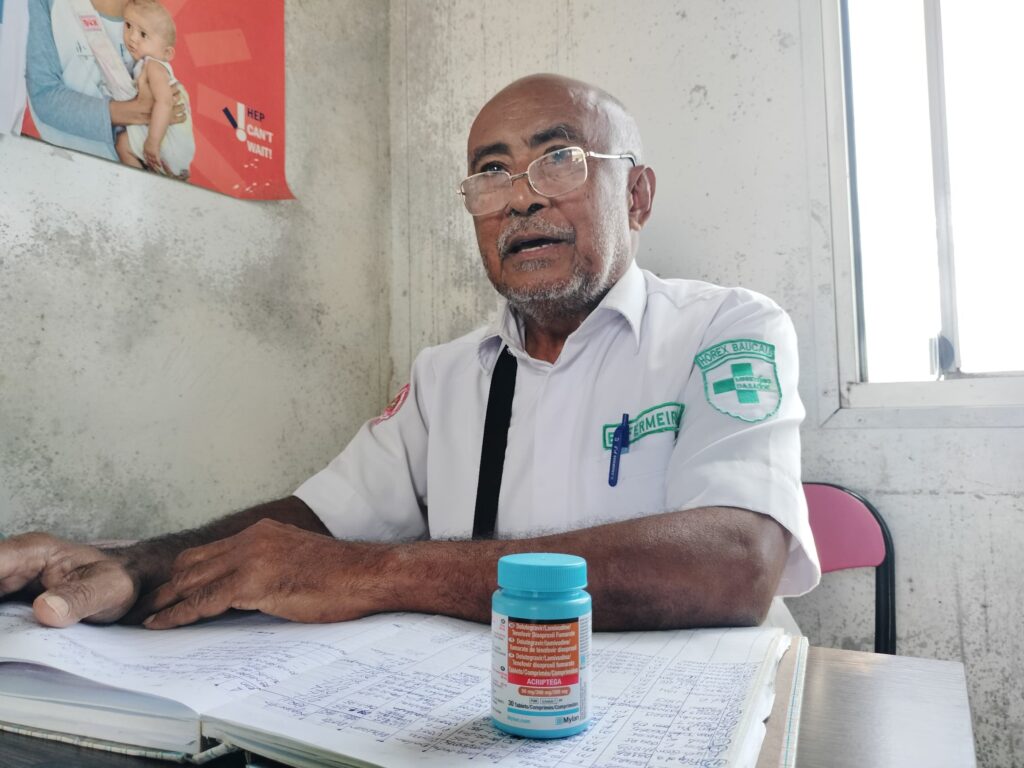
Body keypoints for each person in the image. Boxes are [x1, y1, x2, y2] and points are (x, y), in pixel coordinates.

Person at [0, 74, 820, 633]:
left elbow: (736, 562)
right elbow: (314, 527)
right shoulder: (447, 376)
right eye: (491, 172)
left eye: (558, 160)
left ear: (636, 195)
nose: (520, 197)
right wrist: (133, 563)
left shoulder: (727, 330)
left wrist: (373, 573)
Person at [25, 0, 185, 163]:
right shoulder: (47, 4)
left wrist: (156, 113)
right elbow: (44, 97)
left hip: (137, 162)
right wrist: (138, 111)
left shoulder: (148, 14)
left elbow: (163, 94)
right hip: (61, 161)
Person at [114, 0, 194, 178]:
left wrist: (152, 142)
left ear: (167, 53)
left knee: (122, 144)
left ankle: (139, 182)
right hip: (178, 146)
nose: (132, 37)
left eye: (143, 34)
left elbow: (164, 102)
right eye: (128, 26)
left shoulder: (153, 66)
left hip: (168, 141)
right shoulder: (145, 63)